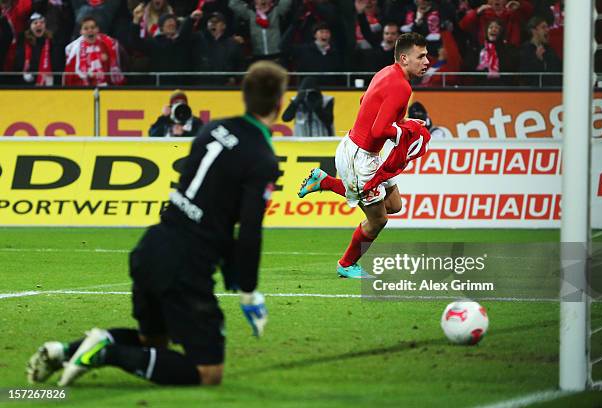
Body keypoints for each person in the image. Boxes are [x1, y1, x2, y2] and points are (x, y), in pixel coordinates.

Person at [26, 60, 287, 387]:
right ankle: (104, 353)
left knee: (153, 342)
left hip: (153, 244)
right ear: (280, 103)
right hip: (187, 263)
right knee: (208, 373)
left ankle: (64, 351)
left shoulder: (211, 128)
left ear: (243, 95)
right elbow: (250, 229)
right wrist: (248, 291)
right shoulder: (263, 158)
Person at [297, 32, 431, 278]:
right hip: (359, 158)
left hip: (363, 150)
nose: (427, 61)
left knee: (394, 205)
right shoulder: (401, 86)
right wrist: (405, 132)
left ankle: (324, 181)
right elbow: (379, 129)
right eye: (420, 56)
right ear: (404, 58)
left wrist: (405, 122)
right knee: (379, 220)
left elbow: (365, 101)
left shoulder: (387, 72)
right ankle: (346, 264)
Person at [63, 16, 125, 86]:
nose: (90, 30)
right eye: (86, 28)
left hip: (107, 89)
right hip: (83, 90)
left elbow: (120, 67)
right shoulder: (74, 50)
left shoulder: (109, 45)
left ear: (97, 29)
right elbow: (68, 77)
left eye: (93, 27)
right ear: (81, 32)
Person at [11, 12, 64, 86]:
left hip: (48, 82)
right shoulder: (23, 42)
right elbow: (18, 63)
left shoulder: (53, 41)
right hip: (26, 82)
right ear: (30, 26)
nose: (39, 25)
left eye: (42, 23)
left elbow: (57, 64)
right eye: (35, 23)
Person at [519, 16, 562, 87]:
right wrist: (538, 60)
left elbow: (557, 70)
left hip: (553, 91)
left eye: (547, 27)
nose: (547, 30)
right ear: (534, 30)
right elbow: (525, 75)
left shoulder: (549, 49)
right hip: (534, 92)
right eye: (543, 27)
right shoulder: (525, 49)